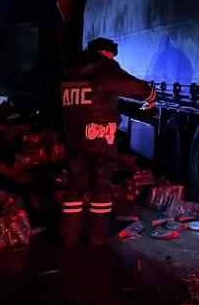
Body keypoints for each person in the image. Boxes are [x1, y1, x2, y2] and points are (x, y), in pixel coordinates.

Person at [59, 37, 156, 248]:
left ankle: (69, 236)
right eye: (112, 55)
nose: (113, 59)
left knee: (75, 187)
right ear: (105, 53)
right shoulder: (105, 68)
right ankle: (98, 236)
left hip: (74, 138)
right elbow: (132, 86)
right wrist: (150, 93)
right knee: (101, 186)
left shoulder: (70, 71)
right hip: (100, 139)